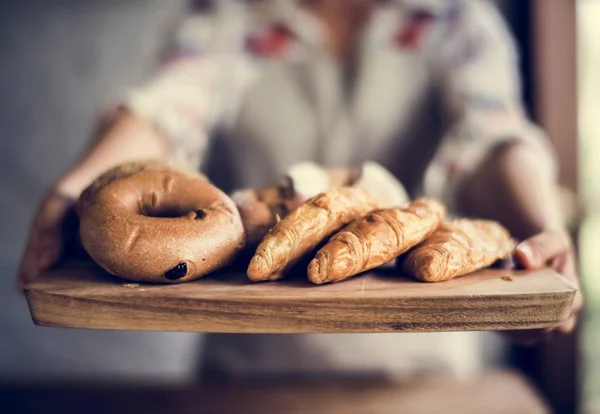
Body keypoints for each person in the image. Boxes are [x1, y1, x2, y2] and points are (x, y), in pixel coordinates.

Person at [18, 0, 582, 380]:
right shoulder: (231, 17)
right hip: (250, 371)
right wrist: (79, 187)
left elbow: (489, 139)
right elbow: (165, 113)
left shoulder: (453, 18)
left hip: (421, 370)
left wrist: (537, 223)